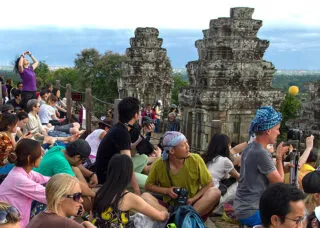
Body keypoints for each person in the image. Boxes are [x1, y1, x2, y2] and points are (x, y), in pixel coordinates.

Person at [144, 131, 221, 220]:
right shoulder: (159, 164)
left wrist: (193, 199)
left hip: (193, 206)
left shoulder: (195, 160)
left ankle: (186, 218)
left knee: (215, 192)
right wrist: (167, 191)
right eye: (183, 145)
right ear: (172, 151)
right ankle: (170, 217)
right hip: (170, 206)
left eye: (187, 143)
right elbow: (148, 186)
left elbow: (209, 184)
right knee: (145, 196)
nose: (188, 147)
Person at [233, 106, 289, 227]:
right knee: (288, 221)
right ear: (268, 131)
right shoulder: (260, 152)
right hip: (252, 210)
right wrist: (279, 158)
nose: (279, 133)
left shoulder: (250, 147)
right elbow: (279, 182)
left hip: (242, 206)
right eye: (277, 129)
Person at [93, 154, 168, 227]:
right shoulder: (128, 197)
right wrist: (166, 212)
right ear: (128, 174)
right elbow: (161, 217)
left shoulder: (99, 191)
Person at [96, 97, 142, 194]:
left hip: (110, 168)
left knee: (144, 158)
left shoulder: (119, 127)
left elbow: (128, 152)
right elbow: (128, 164)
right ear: (135, 115)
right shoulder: (122, 133)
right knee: (147, 183)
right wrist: (136, 188)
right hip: (109, 177)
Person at [0, 139, 49, 228]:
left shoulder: (23, 172)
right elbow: (49, 195)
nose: (41, 157)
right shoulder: (18, 178)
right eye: (39, 154)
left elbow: (45, 179)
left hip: (17, 219)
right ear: (29, 158)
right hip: (11, 224)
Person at [26, 174, 95, 228]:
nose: (81, 200)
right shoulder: (66, 224)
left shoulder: (37, 218)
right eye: (77, 196)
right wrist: (88, 224)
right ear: (59, 198)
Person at [202, 133, 240, 214]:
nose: (230, 148)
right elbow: (239, 178)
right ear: (225, 147)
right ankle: (219, 209)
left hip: (203, 195)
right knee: (240, 184)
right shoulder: (225, 160)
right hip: (214, 197)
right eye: (229, 145)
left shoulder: (206, 158)